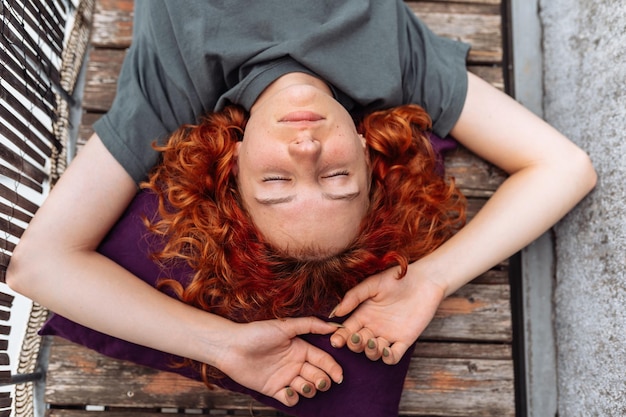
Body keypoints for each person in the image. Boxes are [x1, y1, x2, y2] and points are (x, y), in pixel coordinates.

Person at [6, 0, 597, 415]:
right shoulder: (399, 69)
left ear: (234, 163)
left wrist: (223, 345)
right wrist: (431, 279)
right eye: (338, 177)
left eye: (276, 181)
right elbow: (566, 167)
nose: (307, 146)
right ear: (368, 154)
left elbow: (39, 265)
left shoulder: (172, 94)